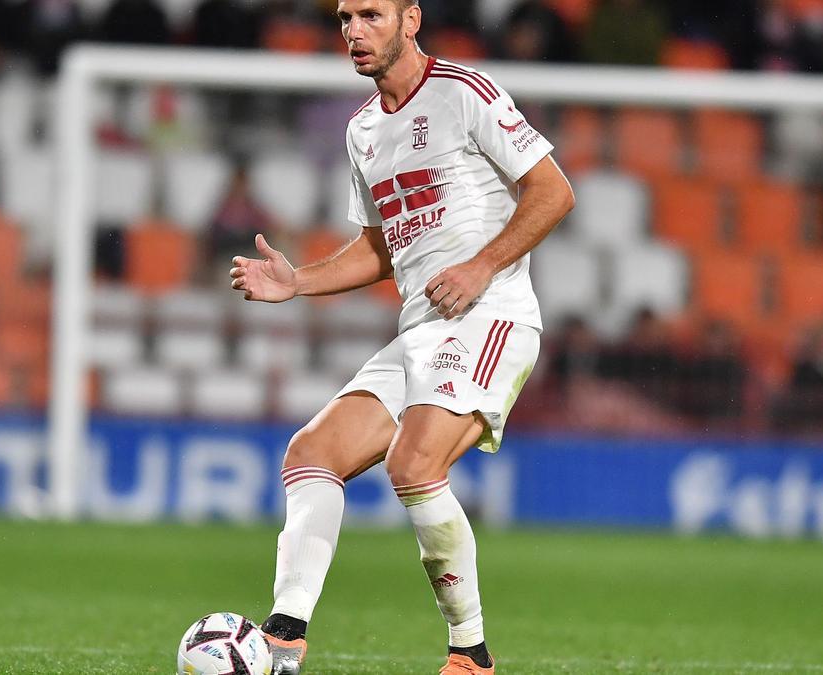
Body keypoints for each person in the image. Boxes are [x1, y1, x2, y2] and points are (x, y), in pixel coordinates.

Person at [228, 1, 574, 672]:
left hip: (492, 314)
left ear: (411, 19)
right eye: (344, 18)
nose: (354, 31)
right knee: (312, 452)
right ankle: (283, 635)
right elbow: (379, 250)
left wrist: (482, 264)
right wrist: (298, 281)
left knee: (414, 465)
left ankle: (469, 653)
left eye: (371, 15)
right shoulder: (362, 131)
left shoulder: (463, 92)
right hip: (422, 328)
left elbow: (553, 192)